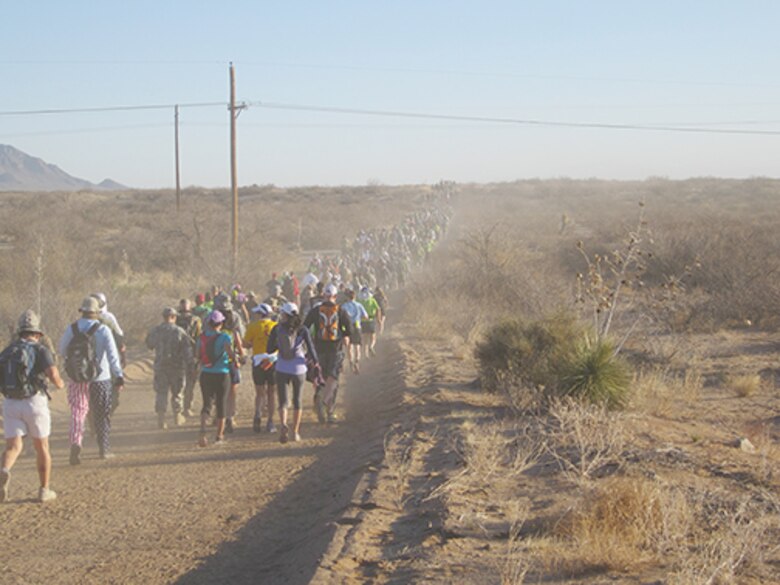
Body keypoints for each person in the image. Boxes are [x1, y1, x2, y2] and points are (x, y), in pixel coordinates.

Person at [0, 310, 64, 503]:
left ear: (20, 332)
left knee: (13, 446)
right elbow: (53, 375)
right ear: (37, 333)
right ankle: (44, 490)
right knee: (42, 447)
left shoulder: (8, 350)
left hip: (10, 402)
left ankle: (4, 470)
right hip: (34, 402)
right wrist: (60, 384)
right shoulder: (40, 349)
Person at [59, 296, 124, 463]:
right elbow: (112, 356)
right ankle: (104, 448)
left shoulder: (72, 328)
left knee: (78, 412)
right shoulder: (103, 330)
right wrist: (118, 376)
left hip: (77, 378)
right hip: (101, 379)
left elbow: (62, 350)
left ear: (82, 311)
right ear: (96, 312)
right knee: (102, 413)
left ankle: (76, 443)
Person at [267, 302, 318, 443]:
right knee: (297, 400)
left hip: (282, 367)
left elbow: (269, 350)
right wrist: (316, 363)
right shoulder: (303, 329)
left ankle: (283, 424)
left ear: (284, 314)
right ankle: (295, 432)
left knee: (283, 401)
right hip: (299, 368)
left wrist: (278, 344)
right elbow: (311, 348)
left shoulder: (277, 329)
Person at [303, 283, 351, 424]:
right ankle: (329, 410)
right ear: (335, 296)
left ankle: (319, 396)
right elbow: (349, 330)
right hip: (335, 349)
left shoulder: (315, 310)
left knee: (320, 376)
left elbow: (304, 327)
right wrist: (346, 338)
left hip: (318, 349)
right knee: (333, 379)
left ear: (323, 295)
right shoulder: (340, 310)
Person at [145, 307, 193, 429]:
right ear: (174, 317)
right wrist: (190, 365)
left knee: (161, 392)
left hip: (161, 366)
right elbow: (187, 351)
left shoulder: (156, 331)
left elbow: (149, 344)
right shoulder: (180, 331)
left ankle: (161, 419)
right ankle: (177, 416)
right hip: (177, 367)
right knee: (177, 393)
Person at [196, 310, 234, 447]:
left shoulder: (201, 338)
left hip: (206, 373)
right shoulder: (225, 337)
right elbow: (230, 353)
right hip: (222, 373)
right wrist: (236, 359)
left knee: (207, 404)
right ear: (221, 323)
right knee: (221, 404)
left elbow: (198, 355)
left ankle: (202, 432)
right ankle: (219, 436)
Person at [243, 303, 277, 433]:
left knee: (259, 392)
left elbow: (245, 344)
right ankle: (270, 422)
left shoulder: (253, 326)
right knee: (271, 393)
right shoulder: (275, 326)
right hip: (273, 361)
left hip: (258, 361)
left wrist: (254, 342)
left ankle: (257, 415)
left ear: (260, 314)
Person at [213, 294, 245, 433]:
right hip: (229, 359)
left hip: (217, 360)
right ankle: (227, 415)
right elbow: (240, 338)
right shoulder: (235, 317)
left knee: (219, 390)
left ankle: (224, 415)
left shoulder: (211, 316)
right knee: (230, 390)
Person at [176, 299, 202, 417]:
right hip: (191, 355)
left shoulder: (174, 319)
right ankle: (187, 408)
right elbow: (199, 339)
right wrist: (198, 356)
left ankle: (178, 408)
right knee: (190, 383)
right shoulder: (196, 320)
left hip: (176, 356)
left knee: (178, 382)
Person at [341, 288, 368, 374]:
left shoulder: (344, 306)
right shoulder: (359, 305)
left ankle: (351, 363)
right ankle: (357, 361)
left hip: (348, 327)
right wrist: (359, 318)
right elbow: (366, 316)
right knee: (357, 347)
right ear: (355, 297)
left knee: (349, 347)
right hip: (357, 326)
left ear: (347, 297)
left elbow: (340, 317)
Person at [358, 286, 382, 357]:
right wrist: (379, 319)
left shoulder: (359, 300)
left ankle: (365, 354)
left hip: (362, 321)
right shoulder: (372, 300)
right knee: (373, 336)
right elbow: (378, 309)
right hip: (371, 320)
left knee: (364, 338)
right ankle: (371, 346)